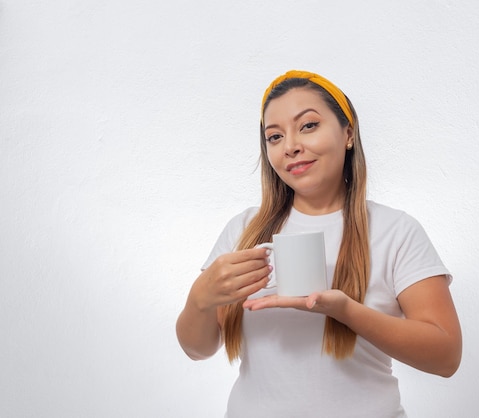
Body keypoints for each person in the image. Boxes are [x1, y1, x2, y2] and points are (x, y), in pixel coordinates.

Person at [176, 70, 462, 417]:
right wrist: (200, 299)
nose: (291, 146)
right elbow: (197, 349)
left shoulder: (395, 231)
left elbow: (446, 357)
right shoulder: (244, 230)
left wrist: (345, 311)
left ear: (348, 133)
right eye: (275, 136)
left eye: (308, 125)